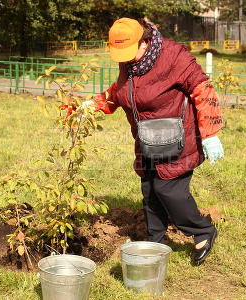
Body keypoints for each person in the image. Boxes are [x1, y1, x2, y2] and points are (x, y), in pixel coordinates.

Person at [92, 17, 224, 265]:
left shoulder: (174, 56)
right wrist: (92, 105)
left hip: (178, 138)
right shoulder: (129, 64)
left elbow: (203, 89)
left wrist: (210, 132)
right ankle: (156, 241)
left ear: (144, 41)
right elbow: (121, 93)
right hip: (148, 140)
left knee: (168, 190)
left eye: (129, 51)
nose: (125, 57)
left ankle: (202, 231)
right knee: (150, 189)